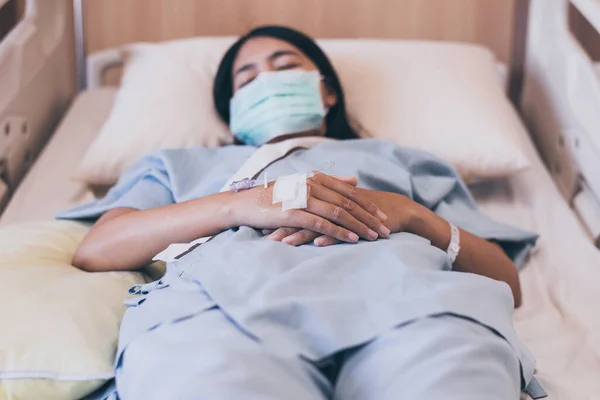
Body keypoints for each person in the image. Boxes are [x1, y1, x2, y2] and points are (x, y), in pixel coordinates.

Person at [59, 26, 542, 400]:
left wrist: (415, 216)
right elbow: (98, 248)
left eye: (284, 64)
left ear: (326, 91)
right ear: (232, 111)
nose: (265, 80)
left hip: (414, 306)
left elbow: (507, 282)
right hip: (220, 313)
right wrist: (238, 204)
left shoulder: (404, 160)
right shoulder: (180, 164)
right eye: (246, 78)